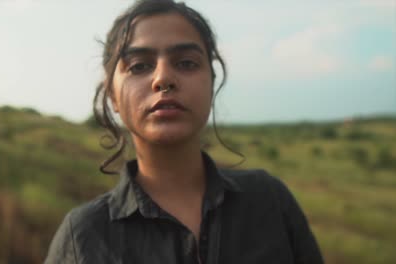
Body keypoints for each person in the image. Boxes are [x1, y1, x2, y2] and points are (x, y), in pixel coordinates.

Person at [45, 0, 324, 263]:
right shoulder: (82, 236)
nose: (163, 78)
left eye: (186, 63)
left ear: (211, 83)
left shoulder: (269, 200)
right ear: (113, 96)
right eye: (139, 66)